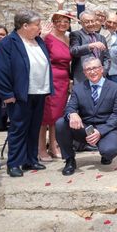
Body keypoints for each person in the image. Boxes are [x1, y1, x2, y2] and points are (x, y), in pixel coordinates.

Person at [0, 10, 53, 177]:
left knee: (34, 127)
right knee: (18, 128)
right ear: (25, 25)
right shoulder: (8, 43)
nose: (39, 28)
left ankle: (30, 159)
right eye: (37, 25)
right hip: (20, 94)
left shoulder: (38, 41)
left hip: (39, 91)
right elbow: (1, 70)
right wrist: (7, 93)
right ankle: (14, 163)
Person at [55, 57, 117, 176]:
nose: (92, 72)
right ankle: (70, 160)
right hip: (85, 129)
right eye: (88, 69)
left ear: (101, 69)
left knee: (110, 151)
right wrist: (72, 113)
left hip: (106, 128)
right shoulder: (78, 89)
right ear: (84, 73)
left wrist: (100, 132)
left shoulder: (115, 88)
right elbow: (69, 107)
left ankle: (105, 154)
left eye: (95, 68)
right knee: (61, 123)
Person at [38, 11, 74, 162]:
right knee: (45, 116)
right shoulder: (47, 37)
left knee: (57, 115)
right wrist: (42, 37)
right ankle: (40, 149)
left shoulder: (67, 38)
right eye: (59, 21)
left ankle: (54, 145)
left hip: (64, 79)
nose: (62, 24)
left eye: (66, 21)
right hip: (50, 78)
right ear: (53, 22)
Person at [69, 11, 110, 85]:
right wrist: (91, 46)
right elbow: (74, 51)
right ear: (81, 23)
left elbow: (107, 58)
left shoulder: (101, 38)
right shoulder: (76, 35)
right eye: (87, 22)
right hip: (81, 77)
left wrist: (103, 71)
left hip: (99, 77)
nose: (90, 24)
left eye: (92, 21)